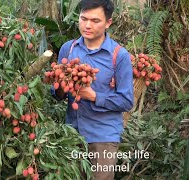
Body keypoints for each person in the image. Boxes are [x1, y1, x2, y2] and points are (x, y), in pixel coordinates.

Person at [51, 0, 134, 179]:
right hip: (72, 133)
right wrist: (60, 86)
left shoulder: (119, 56)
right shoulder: (68, 49)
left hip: (103, 136)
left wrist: (94, 96)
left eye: (95, 21)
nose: (87, 25)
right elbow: (58, 94)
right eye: (83, 18)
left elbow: (127, 101)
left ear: (108, 23)